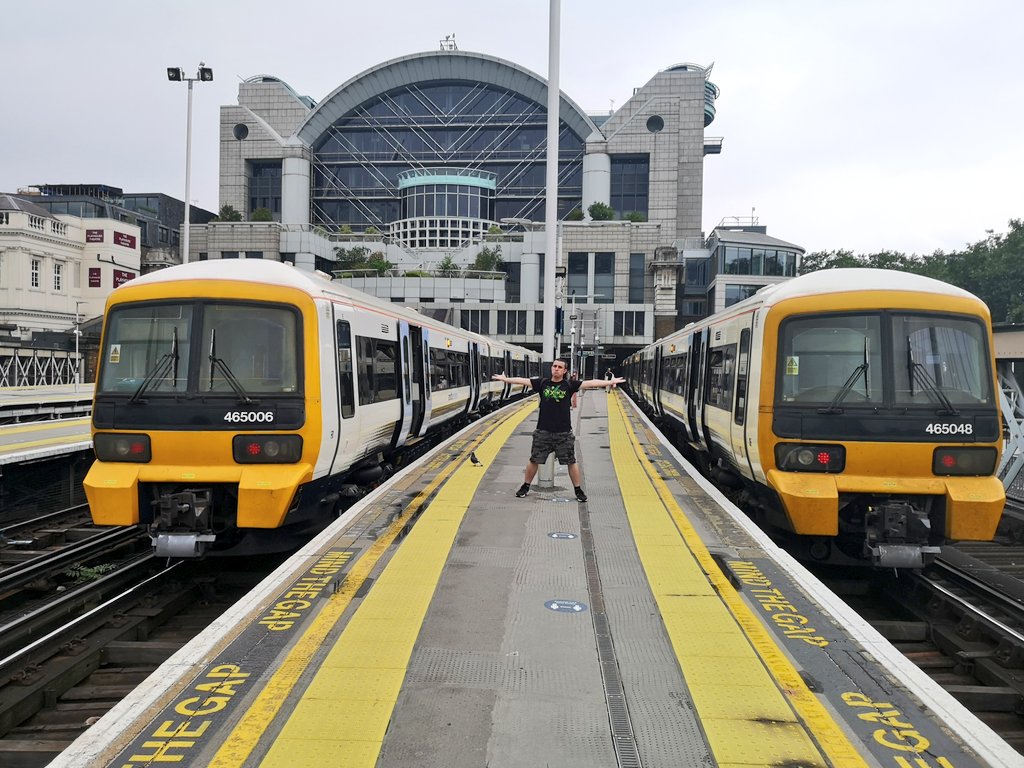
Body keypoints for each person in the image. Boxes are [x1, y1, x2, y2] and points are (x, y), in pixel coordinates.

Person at [492, 359, 626, 502]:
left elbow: (591, 383)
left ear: (564, 371)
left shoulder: (569, 385)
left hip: (564, 433)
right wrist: (506, 379)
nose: (556, 369)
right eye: (554, 366)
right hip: (543, 431)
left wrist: (610, 382)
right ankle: (525, 486)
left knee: (571, 461)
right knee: (534, 460)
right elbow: (523, 381)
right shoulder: (542, 383)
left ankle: (578, 490)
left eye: (559, 367)